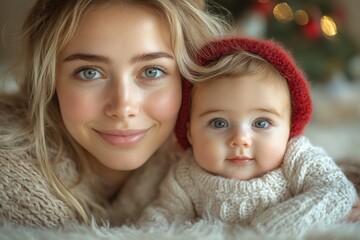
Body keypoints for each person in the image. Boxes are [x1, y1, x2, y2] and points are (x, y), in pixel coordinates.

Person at [0, 0, 230, 228]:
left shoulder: (215, 157)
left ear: (187, 80)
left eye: (152, 71)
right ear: (49, 81)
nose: (123, 107)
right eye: (89, 73)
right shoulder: (13, 185)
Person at [137, 37, 357, 234]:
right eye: (218, 122)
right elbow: (161, 217)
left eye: (261, 123)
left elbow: (336, 191)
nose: (240, 139)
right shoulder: (185, 174)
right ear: (190, 133)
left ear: (289, 130)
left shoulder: (297, 157)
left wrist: (264, 232)